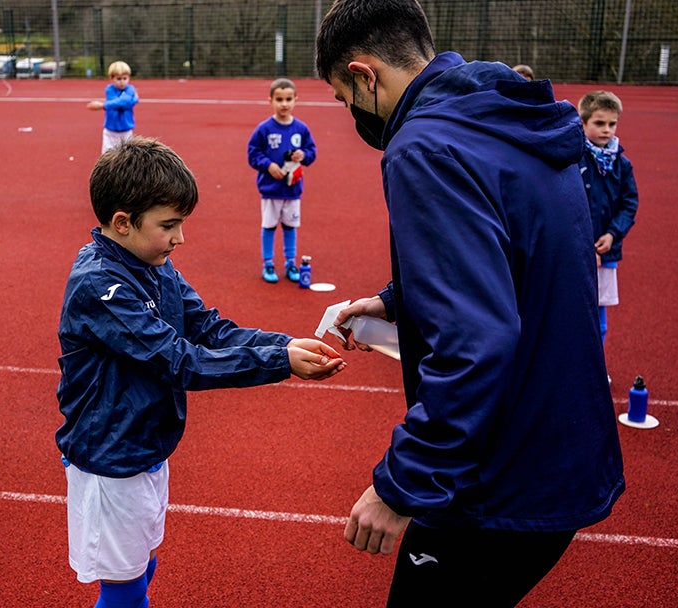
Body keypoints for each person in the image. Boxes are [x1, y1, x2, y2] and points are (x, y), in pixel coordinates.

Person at [315, 1, 624, 606]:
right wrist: (396, 300)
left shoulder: (424, 146)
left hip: (501, 473)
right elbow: (518, 255)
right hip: (563, 442)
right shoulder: (506, 114)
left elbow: (476, 342)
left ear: (364, 74)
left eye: (341, 96)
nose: (350, 114)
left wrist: (403, 483)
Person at [55, 136, 345, 608]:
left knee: (144, 564)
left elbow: (208, 328)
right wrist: (279, 363)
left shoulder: (154, 263)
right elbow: (180, 361)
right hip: (111, 457)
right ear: (123, 223)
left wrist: (284, 344)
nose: (179, 238)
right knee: (125, 590)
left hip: (145, 443)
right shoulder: (99, 286)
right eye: (169, 225)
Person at [578, 90, 639, 348]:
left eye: (612, 124)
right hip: (576, 252)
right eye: (599, 123)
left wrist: (613, 234)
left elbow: (629, 203)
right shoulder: (573, 158)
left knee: (599, 318)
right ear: (584, 123)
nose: (606, 130)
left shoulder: (622, 164)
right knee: (572, 311)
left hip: (606, 251)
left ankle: (597, 368)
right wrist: (582, 245)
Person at [247, 78, 317, 283]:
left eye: (288, 99)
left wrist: (303, 155)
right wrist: (268, 165)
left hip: (293, 189)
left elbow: (312, 152)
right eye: (279, 99)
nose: (284, 104)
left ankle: (290, 262)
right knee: (269, 226)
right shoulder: (264, 129)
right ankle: (268, 263)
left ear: (296, 100)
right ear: (270, 101)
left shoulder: (301, 129)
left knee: (289, 226)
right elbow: (253, 153)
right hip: (270, 189)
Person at [87, 60, 139, 154]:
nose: (122, 82)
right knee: (107, 155)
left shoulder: (130, 89)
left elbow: (124, 102)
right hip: (110, 132)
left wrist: (102, 105)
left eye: (125, 78)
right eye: (119, 79)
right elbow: (122, 103)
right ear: (111, 78)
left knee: (127, 156)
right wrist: (133, 100)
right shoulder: (109, 89)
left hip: (126, 131)